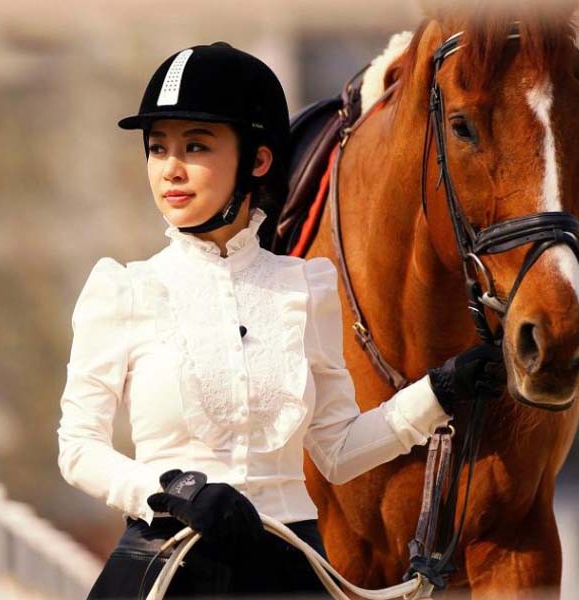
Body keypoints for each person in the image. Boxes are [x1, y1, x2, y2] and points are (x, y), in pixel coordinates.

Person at [57, 41, 506, 599]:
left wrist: (439, 391)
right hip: (165, 567)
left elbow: (337, 451)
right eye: (157, 148)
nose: (170, 169)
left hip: (289, 568)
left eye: (195, 146)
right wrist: (175, 489)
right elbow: (79, 448)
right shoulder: (122, 289)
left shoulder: (305, 287)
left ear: (258, 160)